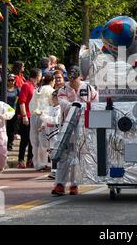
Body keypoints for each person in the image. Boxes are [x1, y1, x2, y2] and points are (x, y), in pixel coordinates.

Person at [52, 65, 99, 196]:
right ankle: (60, 184)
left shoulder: (89, 88)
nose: (72, 82)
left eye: (74, 79)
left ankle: (74, 184)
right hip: (67, 127)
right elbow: (63, 103)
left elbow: (96, 104)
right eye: (70, 79)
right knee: (63, 156)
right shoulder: (63, 89)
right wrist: (76, 105)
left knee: (77, 157)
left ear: (80, 77)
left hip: (84, 128)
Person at [29, 73, 55, 171]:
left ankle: (37, 162)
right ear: (52, 81)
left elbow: (31, 104)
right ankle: (43, 162)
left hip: (34, 115)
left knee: (35, 140)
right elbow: (53, 104)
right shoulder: (51, 90)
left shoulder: (37, 89)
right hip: (44, 116)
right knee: (44, 140)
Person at [17, 68, 42, 168]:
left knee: (33, 139)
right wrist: (24, 116)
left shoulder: (35, 86)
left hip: (34, 115)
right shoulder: (26, 85)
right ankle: (21, 159)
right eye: (40, 76)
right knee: (25, 139)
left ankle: (30, 159)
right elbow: (22, 102)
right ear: (37, 76)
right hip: (27, 115)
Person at [38, 90, 62, 180]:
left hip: (56, 133)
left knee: (55, 152)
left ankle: (55, 171)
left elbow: (55, 120)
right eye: (53, 97)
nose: (54, 99)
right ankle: (54, 170)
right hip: (49, 133)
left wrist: (42, 116)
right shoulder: (51, 108)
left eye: (55, 97)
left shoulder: (60, 109)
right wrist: (43, 126)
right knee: (51, 152)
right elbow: (47, 119)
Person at [6, 74, 20, 151]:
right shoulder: (3, 89)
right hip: (5, 111)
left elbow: (19, 100)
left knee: (12, 129)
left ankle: (10, 143)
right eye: (9, 80)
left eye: (12, 80)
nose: (11, 82)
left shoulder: (17, 90)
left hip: (14, 112)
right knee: (5, 128)